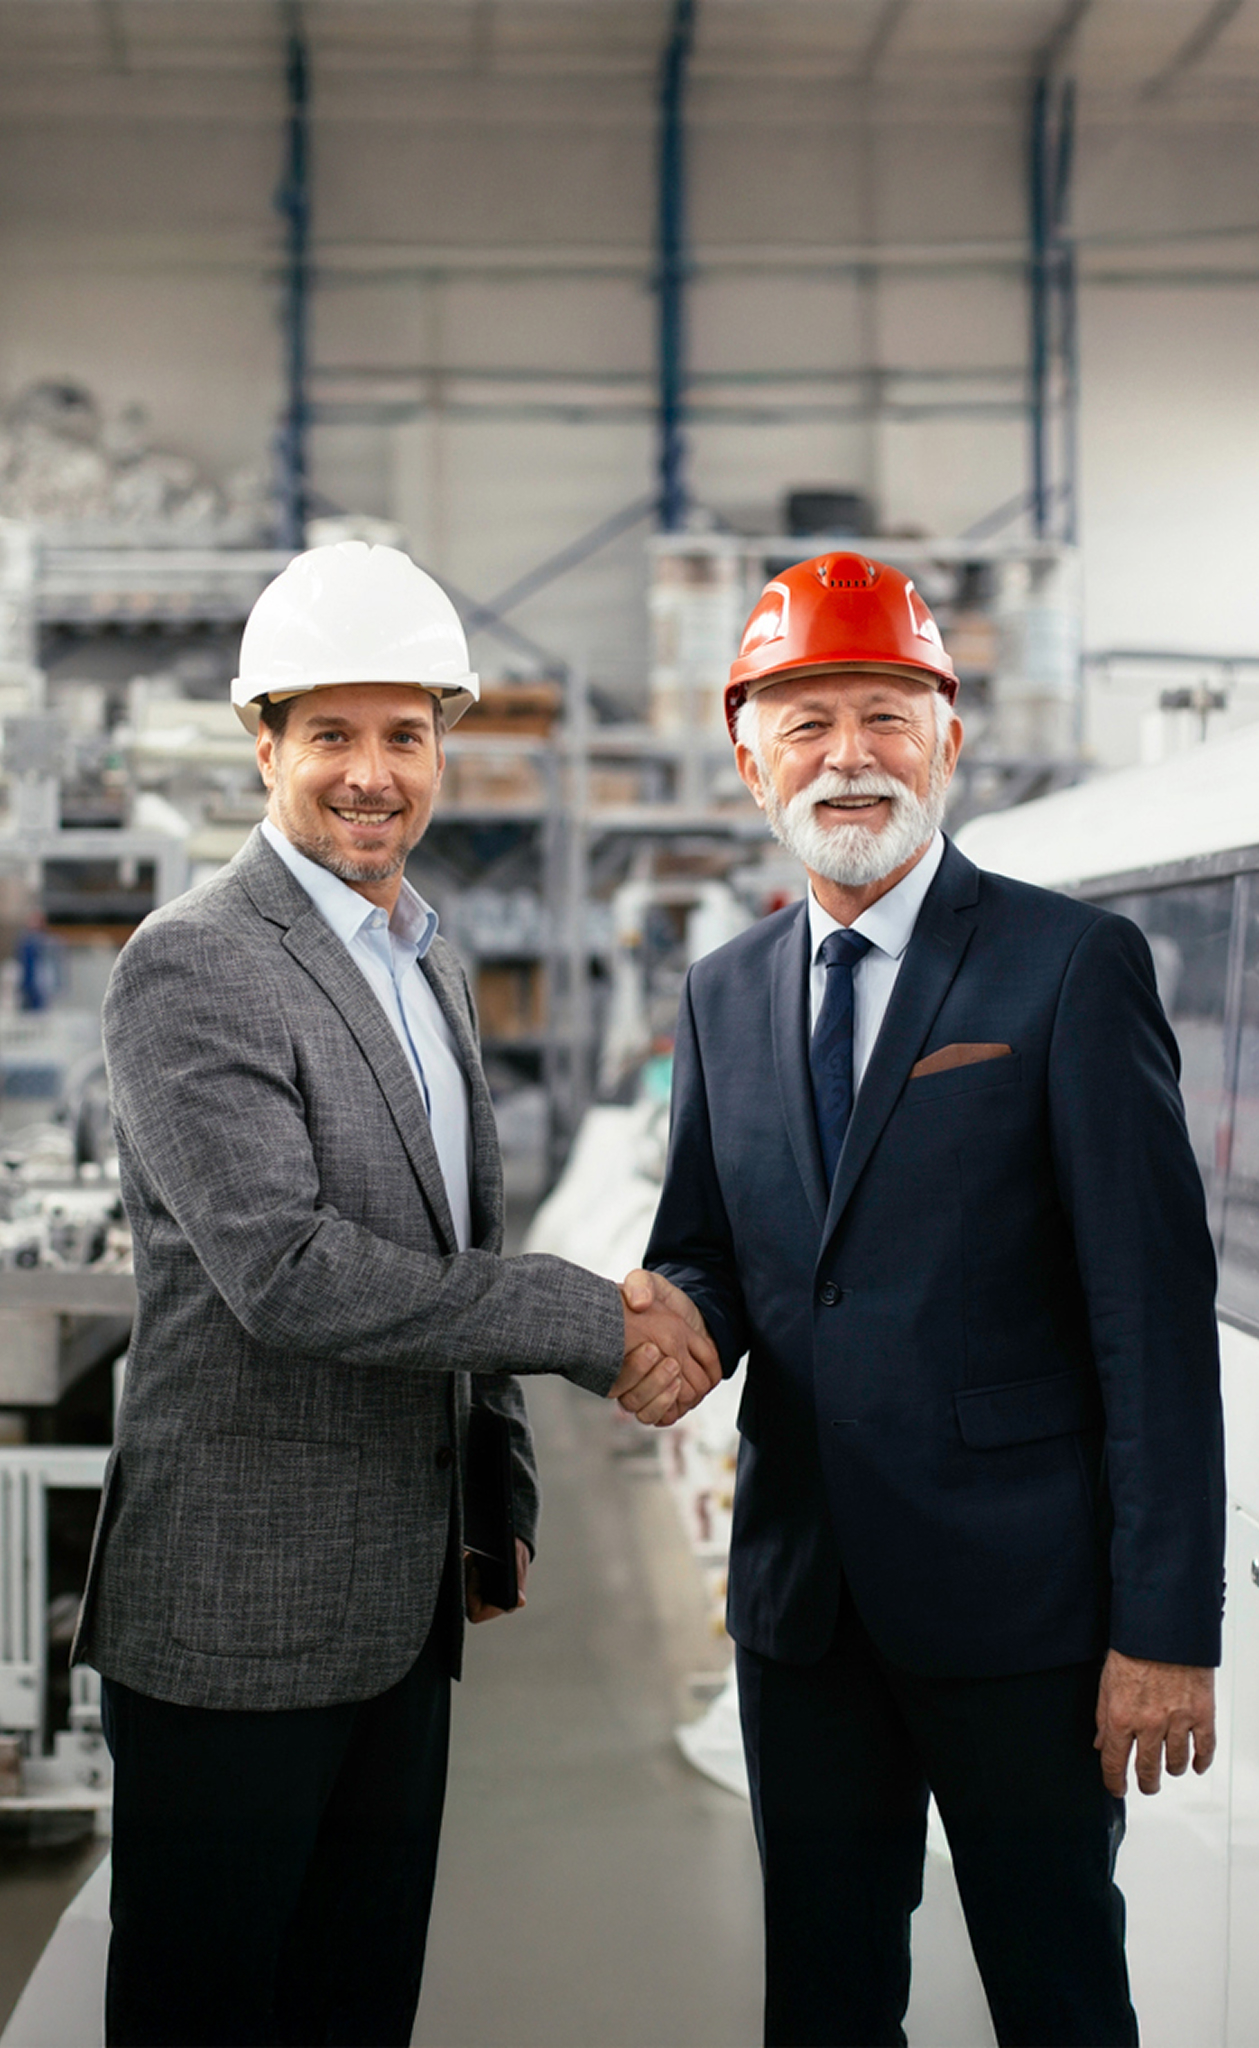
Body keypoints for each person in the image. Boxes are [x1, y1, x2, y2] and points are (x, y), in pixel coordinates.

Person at [72, 541, 718, 2048]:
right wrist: (591, 1322)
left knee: (355, 2006)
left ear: (445, 747)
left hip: (400, 1604)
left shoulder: (423, 958)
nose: (374, 776)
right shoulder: (198, 964)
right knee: (209, 2012)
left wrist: (492, 1503)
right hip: (236, 1622)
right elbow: (291, 1275)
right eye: (332, 736)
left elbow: (449, 1233)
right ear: (265, 744)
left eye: (406, 736)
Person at [636, 551, 1225, 2048]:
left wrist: (1166, 1631)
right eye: (809, 716)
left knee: (1057, 1988)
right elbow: (709, 1244)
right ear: (748, 751)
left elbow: (1151, 1322)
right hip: (804, 1609)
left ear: (947, 739)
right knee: (823, 1995)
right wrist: (658, 1329)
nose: (850, 755)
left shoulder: (1069, 967)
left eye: (888, 713)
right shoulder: (725, 992)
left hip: (1024, 1615)